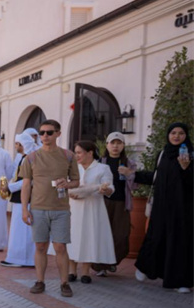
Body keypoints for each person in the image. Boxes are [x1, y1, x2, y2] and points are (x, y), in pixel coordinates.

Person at [20, 119, 80, 297]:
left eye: (49, 132)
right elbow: (26, 185)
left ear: (58, 134)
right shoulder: (31, 157)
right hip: (38, 208)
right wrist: (25, 209)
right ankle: (40, 281)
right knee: (40, 246)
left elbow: (76, 181)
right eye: (42, 133)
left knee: (60, 247)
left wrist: (67, 184)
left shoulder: (68, 156)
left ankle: (64, 283)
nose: (45, 136)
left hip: (61, 209)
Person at [134, 122, 193, 293]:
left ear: (186, 136)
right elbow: (156, 177)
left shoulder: (191, 154)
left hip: (183, 208)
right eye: (173, 132)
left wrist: (186, 169)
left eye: (181, 133)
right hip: (161, 206)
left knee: (179, 242)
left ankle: (180, 281)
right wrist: (134, 175)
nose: (176, 136)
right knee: (155, 236)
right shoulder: (162, 154)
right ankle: (144, 267)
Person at [67, 141, 116, 284]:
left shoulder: (102, 168)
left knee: (89, 236)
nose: (77, 155)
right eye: (75, 152)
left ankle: (85, 271)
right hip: (74, 207)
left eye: (79, 152)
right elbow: (65, 183)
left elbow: (110, 186)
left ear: (90, 153)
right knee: (72, 236)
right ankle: (71, 270)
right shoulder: (72, 167)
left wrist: (105, 189)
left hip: (92, 207)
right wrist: (68, 192)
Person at [92, 132, 138, 276]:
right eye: (113, 143)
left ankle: (112, 262)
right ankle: (100, 266)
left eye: (119, 143)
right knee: (100, 234)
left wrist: (129, 173)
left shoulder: (129, 163)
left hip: (121, 203)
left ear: (123, 145)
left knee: (121, 235)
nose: (115, 146)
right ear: (107, 145)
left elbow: (136, 186)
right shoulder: (100, 162)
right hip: (103, 202)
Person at [1, 132, 38, 268]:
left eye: (18, 144)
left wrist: (9, 187)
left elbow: (29, 181)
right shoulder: (23, 158)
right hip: (19, 197)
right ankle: (17, 257)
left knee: (24, 230)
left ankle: (24, 259)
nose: (16, 146)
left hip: (27, 197)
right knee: (18, 229)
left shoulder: (30, 158)